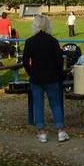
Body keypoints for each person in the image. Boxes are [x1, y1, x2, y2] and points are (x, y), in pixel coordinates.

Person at [22, 14, 68, 143]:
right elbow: (59, 61)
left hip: (36, 77)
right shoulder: (53, 41)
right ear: (48, 26)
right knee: (56, 104)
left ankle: (41, 132)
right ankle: (60, 130)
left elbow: (25, 61)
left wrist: (30, 72)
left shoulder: (30, 41)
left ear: (35, 26)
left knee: (38, 105)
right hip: (52, 77)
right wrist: (59, 75)